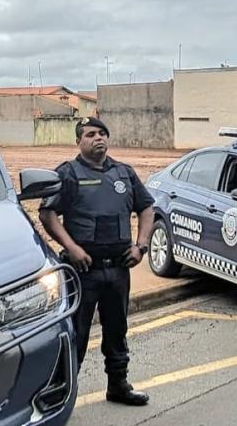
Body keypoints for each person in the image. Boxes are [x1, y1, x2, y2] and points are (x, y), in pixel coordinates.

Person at [39, 117, 153, 406]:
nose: (98, 138)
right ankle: (62, 397)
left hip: (118, 268)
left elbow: (147, 207)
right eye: (90, 134)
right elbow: (47, 214)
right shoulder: (68, 174)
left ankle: (118, 385)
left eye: (102, 133)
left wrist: (141, 246)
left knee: (117, 331)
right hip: (82, 271)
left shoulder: (124, 173)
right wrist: (72, 247)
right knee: (75, 334)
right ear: (79, 141)